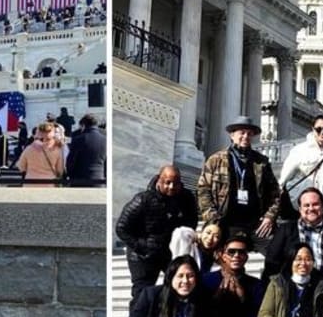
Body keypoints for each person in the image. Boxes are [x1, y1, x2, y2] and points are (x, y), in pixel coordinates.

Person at [196, 115, 280, 252]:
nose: (245, 136)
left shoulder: (261, 162)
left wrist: (269, 217)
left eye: (249, 133)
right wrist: (212, 217)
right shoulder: (215, 160)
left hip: (254, 223)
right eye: (242, 132)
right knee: (209, 251)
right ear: (232, 135)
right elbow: (203, 190)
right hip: (223, 221)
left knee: (276, 251)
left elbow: (275, 194)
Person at [115, 165, 198, 303]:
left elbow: (192, 222)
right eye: (167, 183)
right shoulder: (143, 199)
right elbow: (121, 228)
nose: (171, 187)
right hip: (143, 255)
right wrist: (142, 246)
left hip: (170, 252)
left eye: (175, 183)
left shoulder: (186, 198)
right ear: (160, 180)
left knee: (179, 290)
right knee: (142, 295)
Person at [262, 187, 323, 291]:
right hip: (293, 293)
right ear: (300, 209)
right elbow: (272, 262)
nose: (311, 208)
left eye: (315, 204)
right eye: (306, 205)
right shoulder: (286, 230)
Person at [277, 115, 323, 215]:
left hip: (319, 208)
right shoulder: (300, 150)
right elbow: (283, 179)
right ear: (313, 130)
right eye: (318, 129)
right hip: (296, 206)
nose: (322, 132)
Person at [15, 122, 65, 186]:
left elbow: (21, 167)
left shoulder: (29, 149)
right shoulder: (57, 150)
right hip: (49, 184)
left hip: (30, 183)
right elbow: (60, 171)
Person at [66, 113, 106, 186]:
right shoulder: (105, 139)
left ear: (83, 125)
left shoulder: (78, 139)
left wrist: (69, 175)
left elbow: (71, 161)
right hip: (99, 179)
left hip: (79, 180)